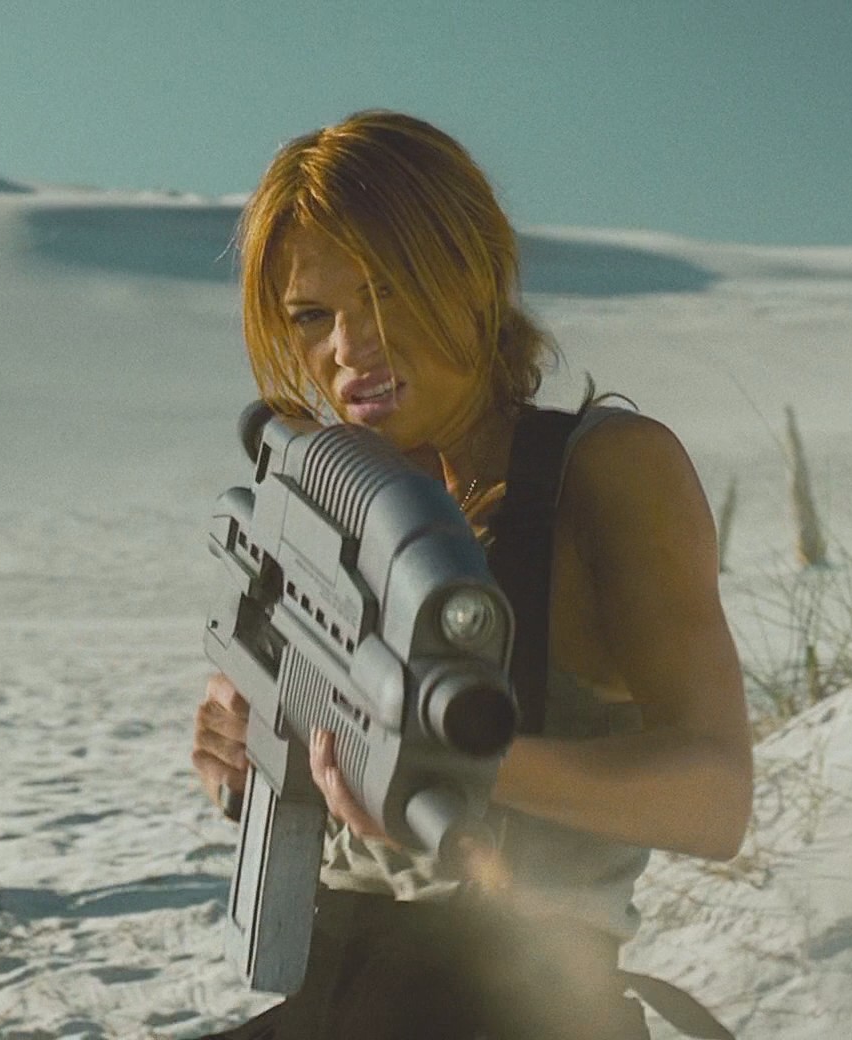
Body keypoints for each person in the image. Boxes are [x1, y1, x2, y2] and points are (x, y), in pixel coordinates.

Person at [188, 111, 753, 1039]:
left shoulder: (605, 471)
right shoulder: (338, 495)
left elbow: (715, 798)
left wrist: (468, 767)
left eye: (385, 292)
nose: (349, 349)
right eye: (312, 316)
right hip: (336, 988)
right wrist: (250, 750)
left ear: (470, 273)